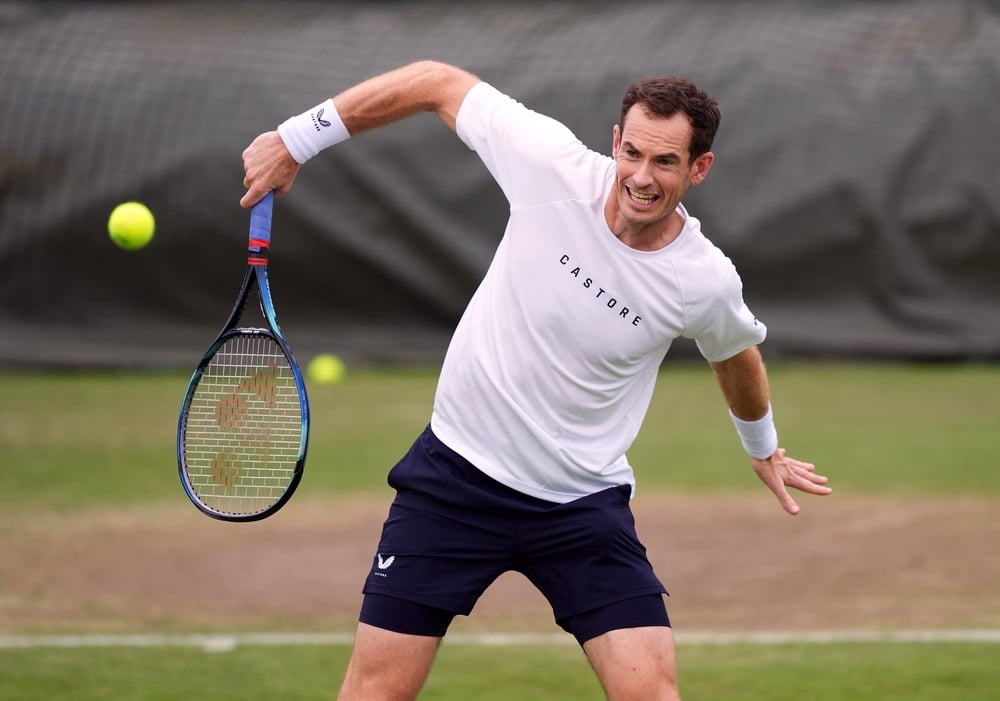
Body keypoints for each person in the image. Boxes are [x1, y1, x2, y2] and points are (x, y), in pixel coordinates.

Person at [241, 60, 832, 701]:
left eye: (665, 162)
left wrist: (761, 445)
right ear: (614, 140)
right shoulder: (548, 166)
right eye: (631, 153)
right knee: (373, 693)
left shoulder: (704, 281)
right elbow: (436, 82)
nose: (640, 176)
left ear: (699, 168)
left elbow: (736, 353)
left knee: (651, 694)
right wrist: (296, 139)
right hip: (453, 484)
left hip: (581, 505)